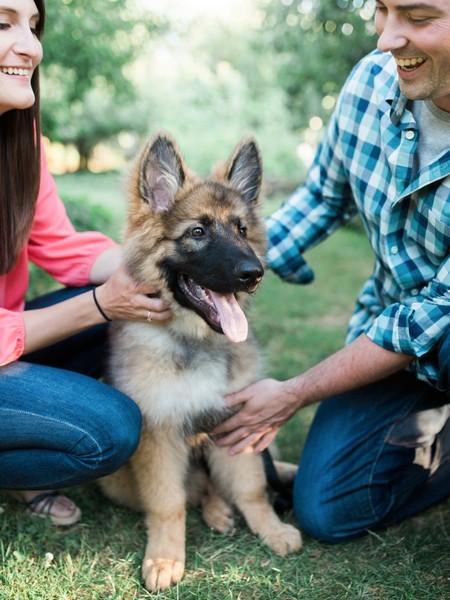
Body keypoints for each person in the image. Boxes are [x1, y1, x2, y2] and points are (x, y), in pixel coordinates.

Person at [213, 0, 450, 542]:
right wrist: (227, 269)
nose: (387, 38)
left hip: (441, 326)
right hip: (395, 328)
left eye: (417, 17)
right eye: (383, 10)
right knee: (327, 509)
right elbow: (323, 195)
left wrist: (294, 391)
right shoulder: (372, 78)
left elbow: (437, 312)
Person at [0, 0, 170, 525]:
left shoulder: (18, 138)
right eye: (3, 23)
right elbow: (96, 303)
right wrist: (101, 304)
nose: (30, 47)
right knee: (109, 429)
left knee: (138, 308)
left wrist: (161, 266)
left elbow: (60, 244)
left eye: (33, 26)